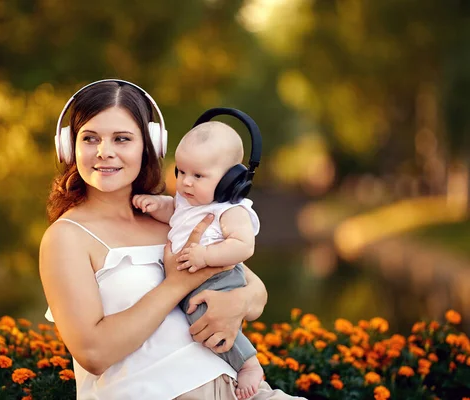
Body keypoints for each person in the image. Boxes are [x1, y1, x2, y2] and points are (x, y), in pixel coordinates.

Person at [39, 79, 306, 400]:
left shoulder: (174, 216)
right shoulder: (66, 237)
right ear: (69, 147)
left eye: (122, 139)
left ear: (149, 145)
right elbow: (94, 353)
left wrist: (238, 302)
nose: (104, 152)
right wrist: (176, 285)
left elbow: (256, 291)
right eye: (90, 138)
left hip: (241, 390)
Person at [132, 120, 263, 399]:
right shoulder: (188, 199)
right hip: (191, 280)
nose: (185, 182)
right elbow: (175, 214)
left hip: (219, 278)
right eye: (181, 171)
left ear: (231, 180)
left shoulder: (230, 211)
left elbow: (243, 246)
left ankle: (249, 363)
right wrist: (157, 205)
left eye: (198, 176)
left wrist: (206, 255)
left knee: (205, 317)